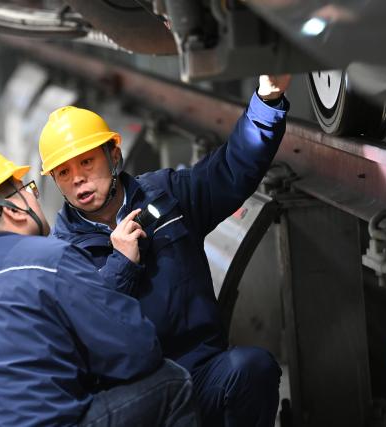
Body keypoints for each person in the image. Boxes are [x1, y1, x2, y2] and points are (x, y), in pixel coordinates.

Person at [38, 75, 292, 427]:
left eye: (86, 162)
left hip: (200, 372)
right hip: (137, 400)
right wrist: (120, 267)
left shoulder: (166, 196)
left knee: (252, 369)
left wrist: (267, 102)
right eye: (64, 172)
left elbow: (230, 171)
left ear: (113, 155)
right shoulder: (61, 255)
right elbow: (77, 335)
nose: (78, 178)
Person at [0, 145, 198, 426]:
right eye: (28, 189)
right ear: (14, 210)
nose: (34, 196)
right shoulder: (51, 258)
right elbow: (138, 351)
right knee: (171, 381)